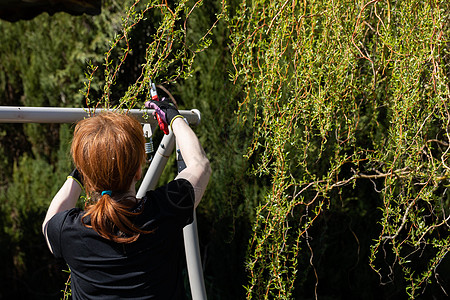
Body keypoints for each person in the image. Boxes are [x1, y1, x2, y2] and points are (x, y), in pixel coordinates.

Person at [42, 100, 211, 299]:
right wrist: (175, 119)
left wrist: (87, 166)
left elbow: (49, 221)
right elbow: (200, 165)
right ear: (138, 171)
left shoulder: (67, 232)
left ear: (87, 177)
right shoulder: (164, 210)